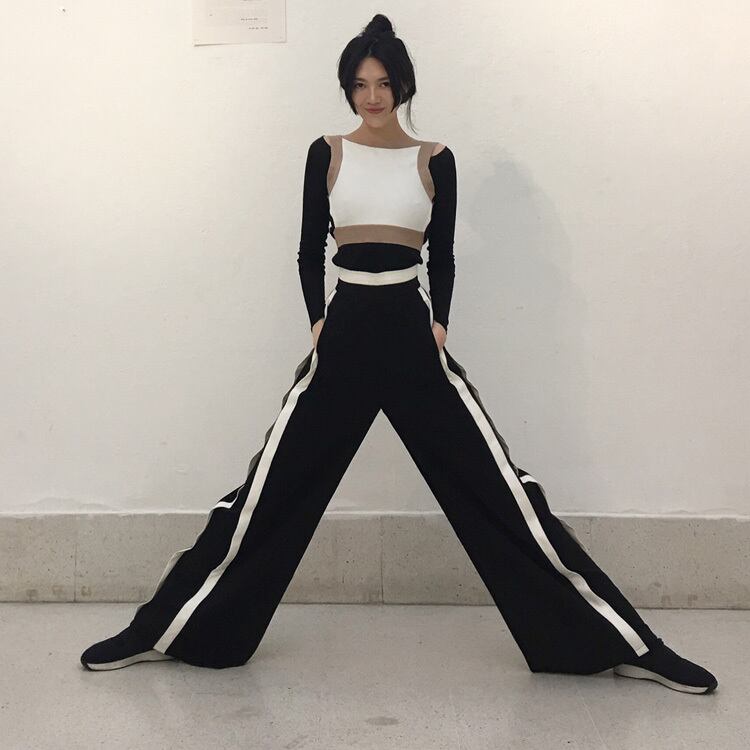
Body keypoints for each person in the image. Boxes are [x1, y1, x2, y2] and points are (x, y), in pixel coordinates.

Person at [80, 14, 718, 695]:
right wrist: (319, 322)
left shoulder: (435, 159)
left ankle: (623, 644)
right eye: (360, 85)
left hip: (411, 335)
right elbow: (308, 249)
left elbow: (443, 255)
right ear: (347, 90)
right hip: (347, 332)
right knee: (267, 491)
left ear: (403, 86)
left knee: (505, 493)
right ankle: (164, 631)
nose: (372, 97)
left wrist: (439, 322)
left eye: (383, 84)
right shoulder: (326, 153)